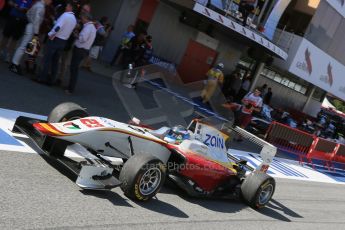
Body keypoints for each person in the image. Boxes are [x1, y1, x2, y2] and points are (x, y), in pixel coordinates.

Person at [35, 1, 77, 85]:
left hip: (55, 39)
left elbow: (58, 27)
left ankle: (41, 78)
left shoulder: (65, 15)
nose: (66, 7)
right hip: (63, 41)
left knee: (47, 59)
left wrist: (50, 34)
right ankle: (51, 80)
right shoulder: (74, 19)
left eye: (67, 6)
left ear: (71, 8)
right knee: (55, 62)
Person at [9, 0, 53, 75]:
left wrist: (31, 22)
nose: (50, 2)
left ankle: (16, 63)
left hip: (31, 26)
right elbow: (36, 20)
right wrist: (36, 33)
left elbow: (28, 13)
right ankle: (14, 64)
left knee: (27, 47)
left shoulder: (38, 4)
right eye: (50, 0)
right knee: (24, 46)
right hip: (33, 28)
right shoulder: (40, 6)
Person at [65, 12, 96, 94]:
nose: (81, 19)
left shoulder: (88, 27)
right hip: (84, 50)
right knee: (74, 69)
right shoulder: (92, 27)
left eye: (82, 17)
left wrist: (76, 35)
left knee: (74, 69)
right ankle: (70, 87)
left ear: (86, 18)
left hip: (80, 49)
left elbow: (82, 38)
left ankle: (70, 88)